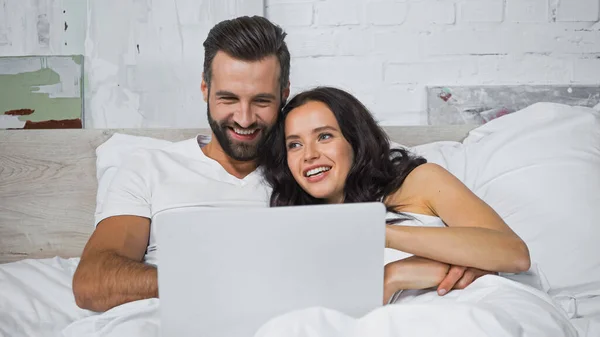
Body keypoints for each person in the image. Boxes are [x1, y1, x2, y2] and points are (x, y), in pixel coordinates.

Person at [72, 15, 291, 312]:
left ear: (284, 95)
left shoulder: (306, 172)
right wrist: (210, 284)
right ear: (204, 89)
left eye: (262, 101)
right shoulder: (149, 166)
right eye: (228, 99)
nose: (244, 118)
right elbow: (92, 282)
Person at [258, 86, 531, 304]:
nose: (309, 155)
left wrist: (376, 232)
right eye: (295, 144)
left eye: (325, 136)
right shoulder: (298, 230)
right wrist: (392, 278)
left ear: (355, 140)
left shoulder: (420, 182)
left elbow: (515, 254)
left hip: (472, 310)